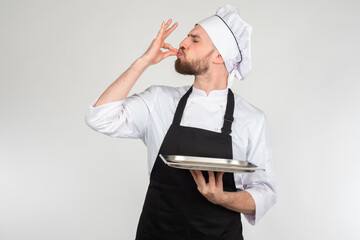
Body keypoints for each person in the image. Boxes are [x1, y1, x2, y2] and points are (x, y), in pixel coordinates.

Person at [85, 4, 276, 240]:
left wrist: (221, 197)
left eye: (195, 39)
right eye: (187, 36)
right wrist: (143, 61)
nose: (183, 42)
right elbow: (98, 117)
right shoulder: (159, 101)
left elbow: (264, 193)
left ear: (219, 56)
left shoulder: (251, 119)